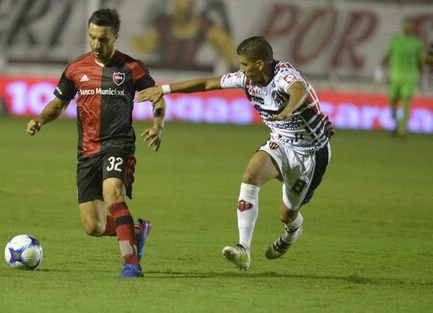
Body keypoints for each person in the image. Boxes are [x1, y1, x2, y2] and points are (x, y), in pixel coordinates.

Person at [135, 36, 333, 271]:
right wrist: (163, 89)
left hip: (309, 153)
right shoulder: (247, 80)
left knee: (286, 214)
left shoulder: (284, 75)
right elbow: (208, 84)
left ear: (260, 63)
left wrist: (287, 109)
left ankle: (293, 231)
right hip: (280, 143)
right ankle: (243, 249)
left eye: (244, 64)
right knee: (250, 175)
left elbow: (298, 89)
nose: (240, 69)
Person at [26, 8, 166, 278]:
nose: (96, 44)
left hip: (118, 144)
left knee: (114, 193)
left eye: (103, 39)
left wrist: (158, 126)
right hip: (87, 151)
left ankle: (131, 264)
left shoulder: (132, 68)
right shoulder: (76, 68)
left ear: (115, 36)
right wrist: (40, 120)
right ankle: (136, 230)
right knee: (93, 226)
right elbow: (58, 104)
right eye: (92, 37)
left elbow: (158, 98)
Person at [130, 0, 236, 73]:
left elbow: (229, 49)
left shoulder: (203, 26)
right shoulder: (164, 25)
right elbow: (143, 46)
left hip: (193, 76)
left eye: (184, 11)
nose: (181, 15)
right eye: (178, 11)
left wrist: (224, 64)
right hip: (165, 76)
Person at [381, 17, 423, 138]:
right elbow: (387, 55)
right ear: (402, 26)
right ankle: (397, 124)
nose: (407, 27)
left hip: (410, 77)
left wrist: (423, 75)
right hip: (395, 75)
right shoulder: (395, 41)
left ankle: (402, 131)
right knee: (393, 101)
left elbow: (420, 61)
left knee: (405, 102)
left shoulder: (417, 43)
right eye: (405, 25)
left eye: (409, 25)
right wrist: (380, 69)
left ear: (412, 27)